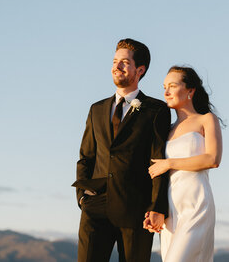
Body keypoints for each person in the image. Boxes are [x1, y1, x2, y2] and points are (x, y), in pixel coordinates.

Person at [72, 38, 171, 262]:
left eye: (125, 62)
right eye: (115, 61)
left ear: (140, 69)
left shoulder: (156, 110)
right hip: (94, 207)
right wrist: (82, 198)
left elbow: (159, 161)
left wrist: (157, 206)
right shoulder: (96, 109)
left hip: (136, 211)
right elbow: (86, 157)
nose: (117, 66)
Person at [143, 66, 223, 262]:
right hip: (171, 209)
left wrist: (169, 163)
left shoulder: (206, 120)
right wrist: (155, 209)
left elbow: (213, 159)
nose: (166, 92)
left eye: (172, 85)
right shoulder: (166, 130)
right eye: (164, 87)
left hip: (196, 203)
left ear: (190, 90)